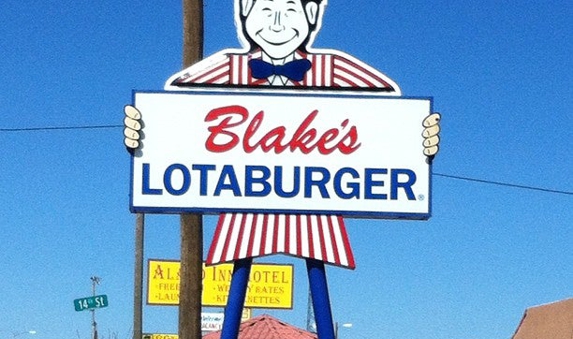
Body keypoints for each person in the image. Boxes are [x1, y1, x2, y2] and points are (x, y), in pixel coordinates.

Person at [125, 0, 441, 269]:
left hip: (319, 224)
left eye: (290, 10)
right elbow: (172, 106)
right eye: (265, 9)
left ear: (313, 14)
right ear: (245, 10)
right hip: (241, 222)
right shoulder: (221, 71)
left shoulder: (338, 71)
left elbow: (391, 109)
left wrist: (420, 138)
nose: (277, 23)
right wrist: (143, 131)